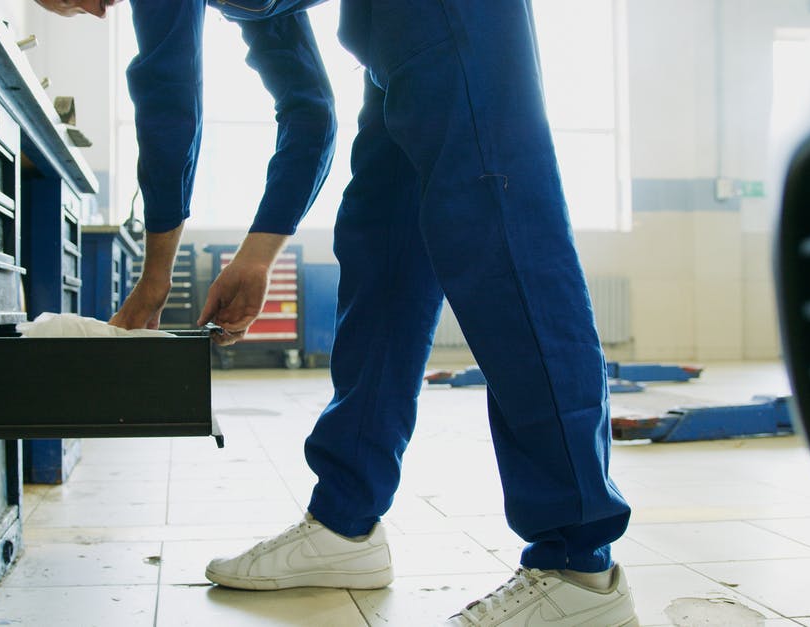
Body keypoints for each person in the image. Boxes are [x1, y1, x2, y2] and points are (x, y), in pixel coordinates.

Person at [36, 1, 637, 625]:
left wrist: (155, 277)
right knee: (380, 246)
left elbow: (167, 87)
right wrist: (259, 253)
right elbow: (310, 112)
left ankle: (578, 569)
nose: (88, 10)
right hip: (389, 30)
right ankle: (346, 524)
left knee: (497, 220)